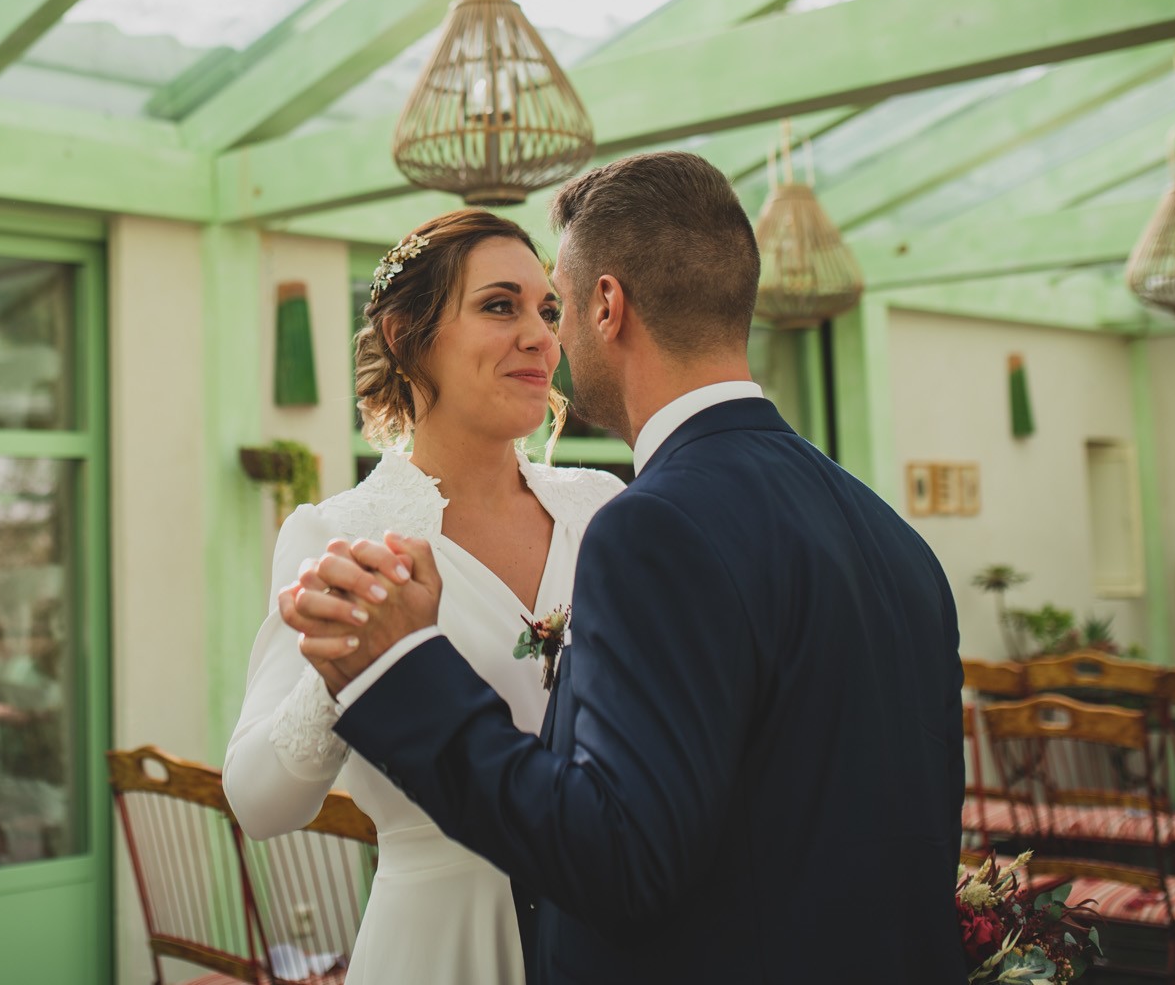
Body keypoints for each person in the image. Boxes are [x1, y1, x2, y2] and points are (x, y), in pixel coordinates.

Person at [284, 151, 965, 985]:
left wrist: (404, 671)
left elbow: (622, 858)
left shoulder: (648, 527)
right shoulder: (893, 538)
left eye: (557, 306)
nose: (550, 338)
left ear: (607, 305)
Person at [223, 208, 625, 984]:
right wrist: (354, 663)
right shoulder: (341, 536)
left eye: (548, 309)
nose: (541, 336)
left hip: (609, 932)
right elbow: (259, 804)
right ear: (411, 335)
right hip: (439, 944)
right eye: (499, 305)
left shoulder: (604, 509)